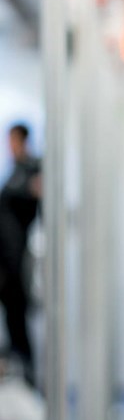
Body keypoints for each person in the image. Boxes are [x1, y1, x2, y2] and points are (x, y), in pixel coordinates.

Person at [0, 124, 41, 385]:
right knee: (11, 316)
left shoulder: (33, 168)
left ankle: (27, 374)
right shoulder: (15, 170)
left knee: (17, 315)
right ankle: (17, 368)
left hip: (17, 256)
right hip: (5, 257)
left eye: (13, 140)